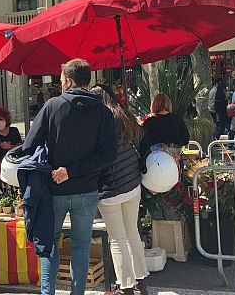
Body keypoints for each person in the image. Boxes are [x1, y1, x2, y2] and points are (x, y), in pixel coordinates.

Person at [22, 59, 117, 295]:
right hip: (87, 189)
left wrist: (61, 167)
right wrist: (74, 171)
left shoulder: (52, 106)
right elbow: (108, 154)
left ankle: (48, 292)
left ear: (69, 80)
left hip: (54, 189)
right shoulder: (103, 112)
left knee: (50, 242)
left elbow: (29, 144)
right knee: (82, 246)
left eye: (62, 78)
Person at [90, 85, 149, 295]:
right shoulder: (125, 117)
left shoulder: (98, 123)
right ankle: (141, 281)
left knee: (117, 237)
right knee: (132, 231)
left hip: (110, 189)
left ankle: (125, 286)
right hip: (133, 184)